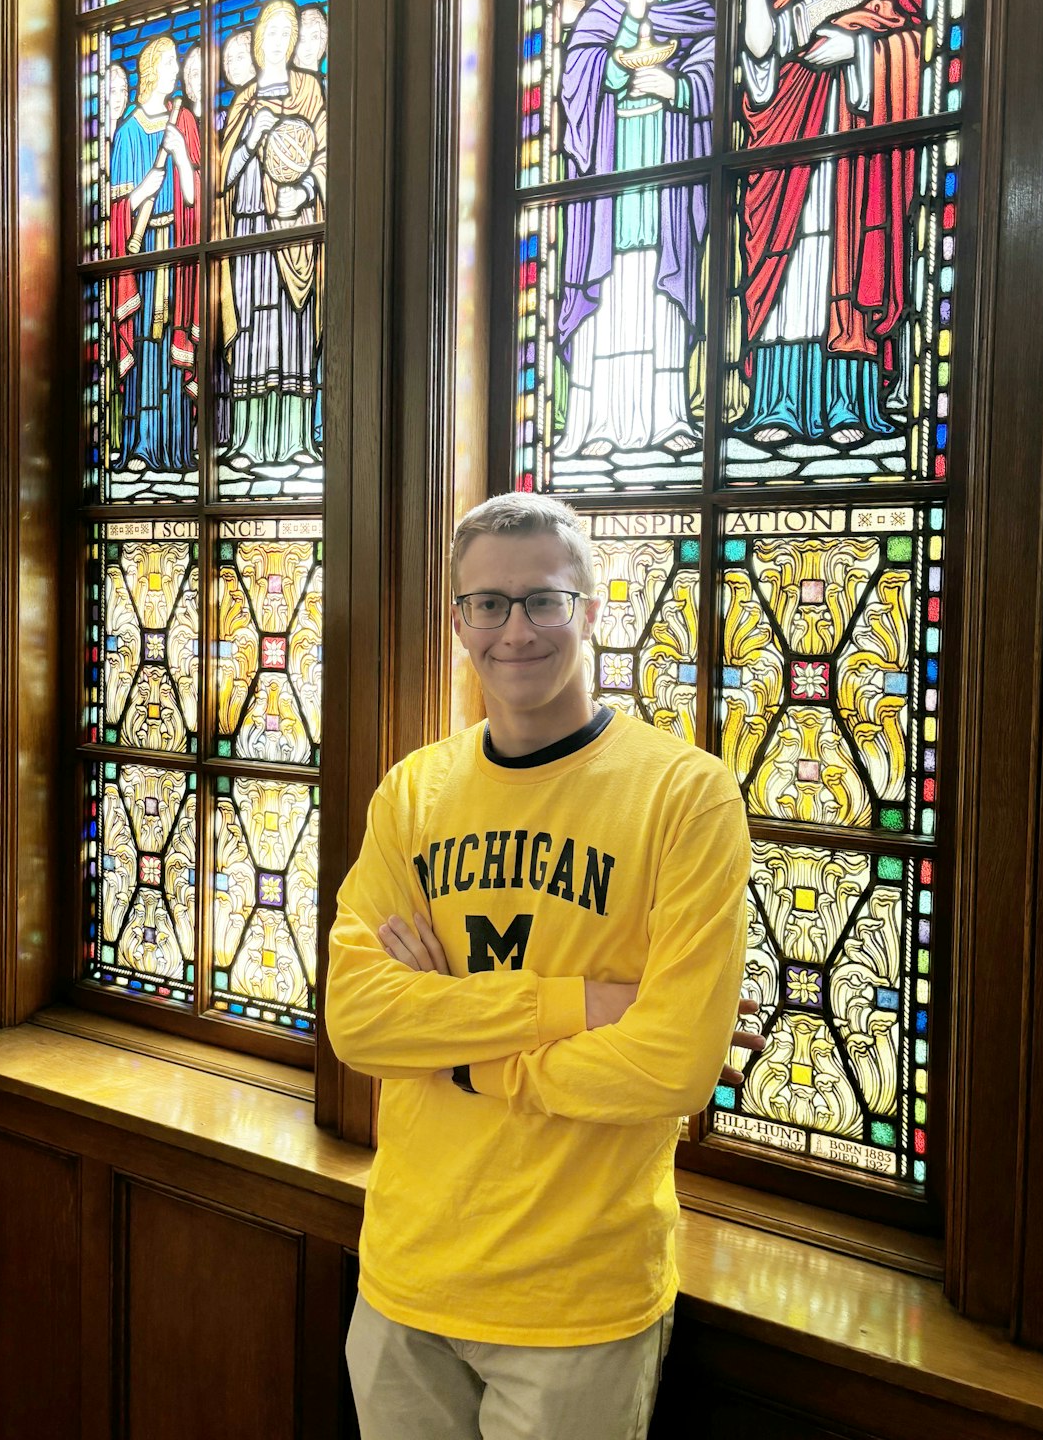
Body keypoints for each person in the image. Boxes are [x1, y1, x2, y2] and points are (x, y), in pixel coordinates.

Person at [328, 493, 758, 1440]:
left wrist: (451, 1041)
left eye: (544, 602)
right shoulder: (415, 791)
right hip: (404, 1276)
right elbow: (358, 1022)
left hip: (578, 1301)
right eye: (487, 604)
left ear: (594, 611)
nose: (514, 630)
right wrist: (582, 1005)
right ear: (457, 620)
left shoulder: (686, 796)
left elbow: (674, 1067)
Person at [736, 0, 923, 447]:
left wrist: (861, 50)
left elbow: (926, 50)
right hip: (788, 146)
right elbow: (759, 65)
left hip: (855, 145)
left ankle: (850, 403)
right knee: (791, 269)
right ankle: (779, 402)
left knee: (845, 253)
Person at [557, 0, 715, 464]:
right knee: (614, 288)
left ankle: (668, 413)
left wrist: (677, 88)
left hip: (669, 165)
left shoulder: (686, 0)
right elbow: (576, 79)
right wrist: (621, 82)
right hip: (611, 175)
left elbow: (713, 64)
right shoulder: (599, 14)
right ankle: (599, 421)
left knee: (660, 284)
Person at [218, 0, 327, 467]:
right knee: (252, 330)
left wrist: (303, 190)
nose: (280, 43)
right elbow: (221, 178)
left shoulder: (309, 90)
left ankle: (296, 439)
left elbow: (326, 156)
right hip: (246, 233)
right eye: (272, 35)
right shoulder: (243, 100)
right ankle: (246, 440)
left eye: (288, 34)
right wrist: (249, 137)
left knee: (292, 329)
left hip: (292, 232)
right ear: (260, 42)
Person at [108, 35, 200, 473]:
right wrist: (147, 183)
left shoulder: (182, 124)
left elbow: (192, 197)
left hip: (177, 251)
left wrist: (181, 157)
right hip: (143, 253)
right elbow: (122, 203)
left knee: (171, 343)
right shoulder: (126, 132)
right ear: (151, 71)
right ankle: (142, 445)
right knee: (147, 343)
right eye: (169, 64)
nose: (176, 72)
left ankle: (176, 446)